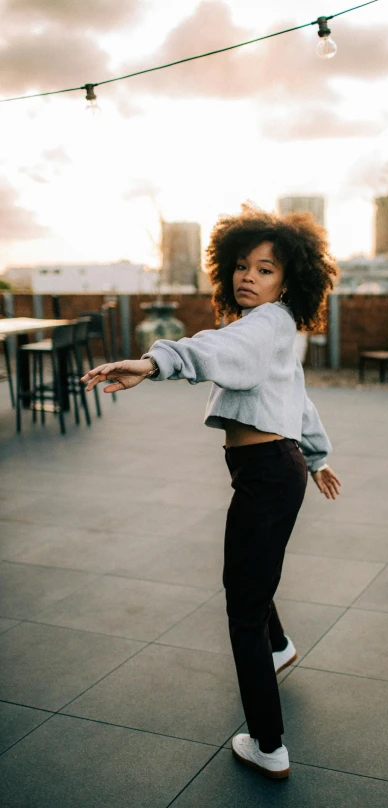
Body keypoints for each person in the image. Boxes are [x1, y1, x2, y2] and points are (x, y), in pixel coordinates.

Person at [81, 202, 342, 780]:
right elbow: (297, 398)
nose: (249, 276)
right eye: (242, 266)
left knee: (241, 604)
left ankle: (268, 744)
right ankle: (279, 646)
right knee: (250, 574)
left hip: (270, 473)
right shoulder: (276, 332)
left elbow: (216, 350)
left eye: (266, 268)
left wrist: (154, 363)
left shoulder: (262, 326)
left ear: (288, 279)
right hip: (278, 467)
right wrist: (317, 455)